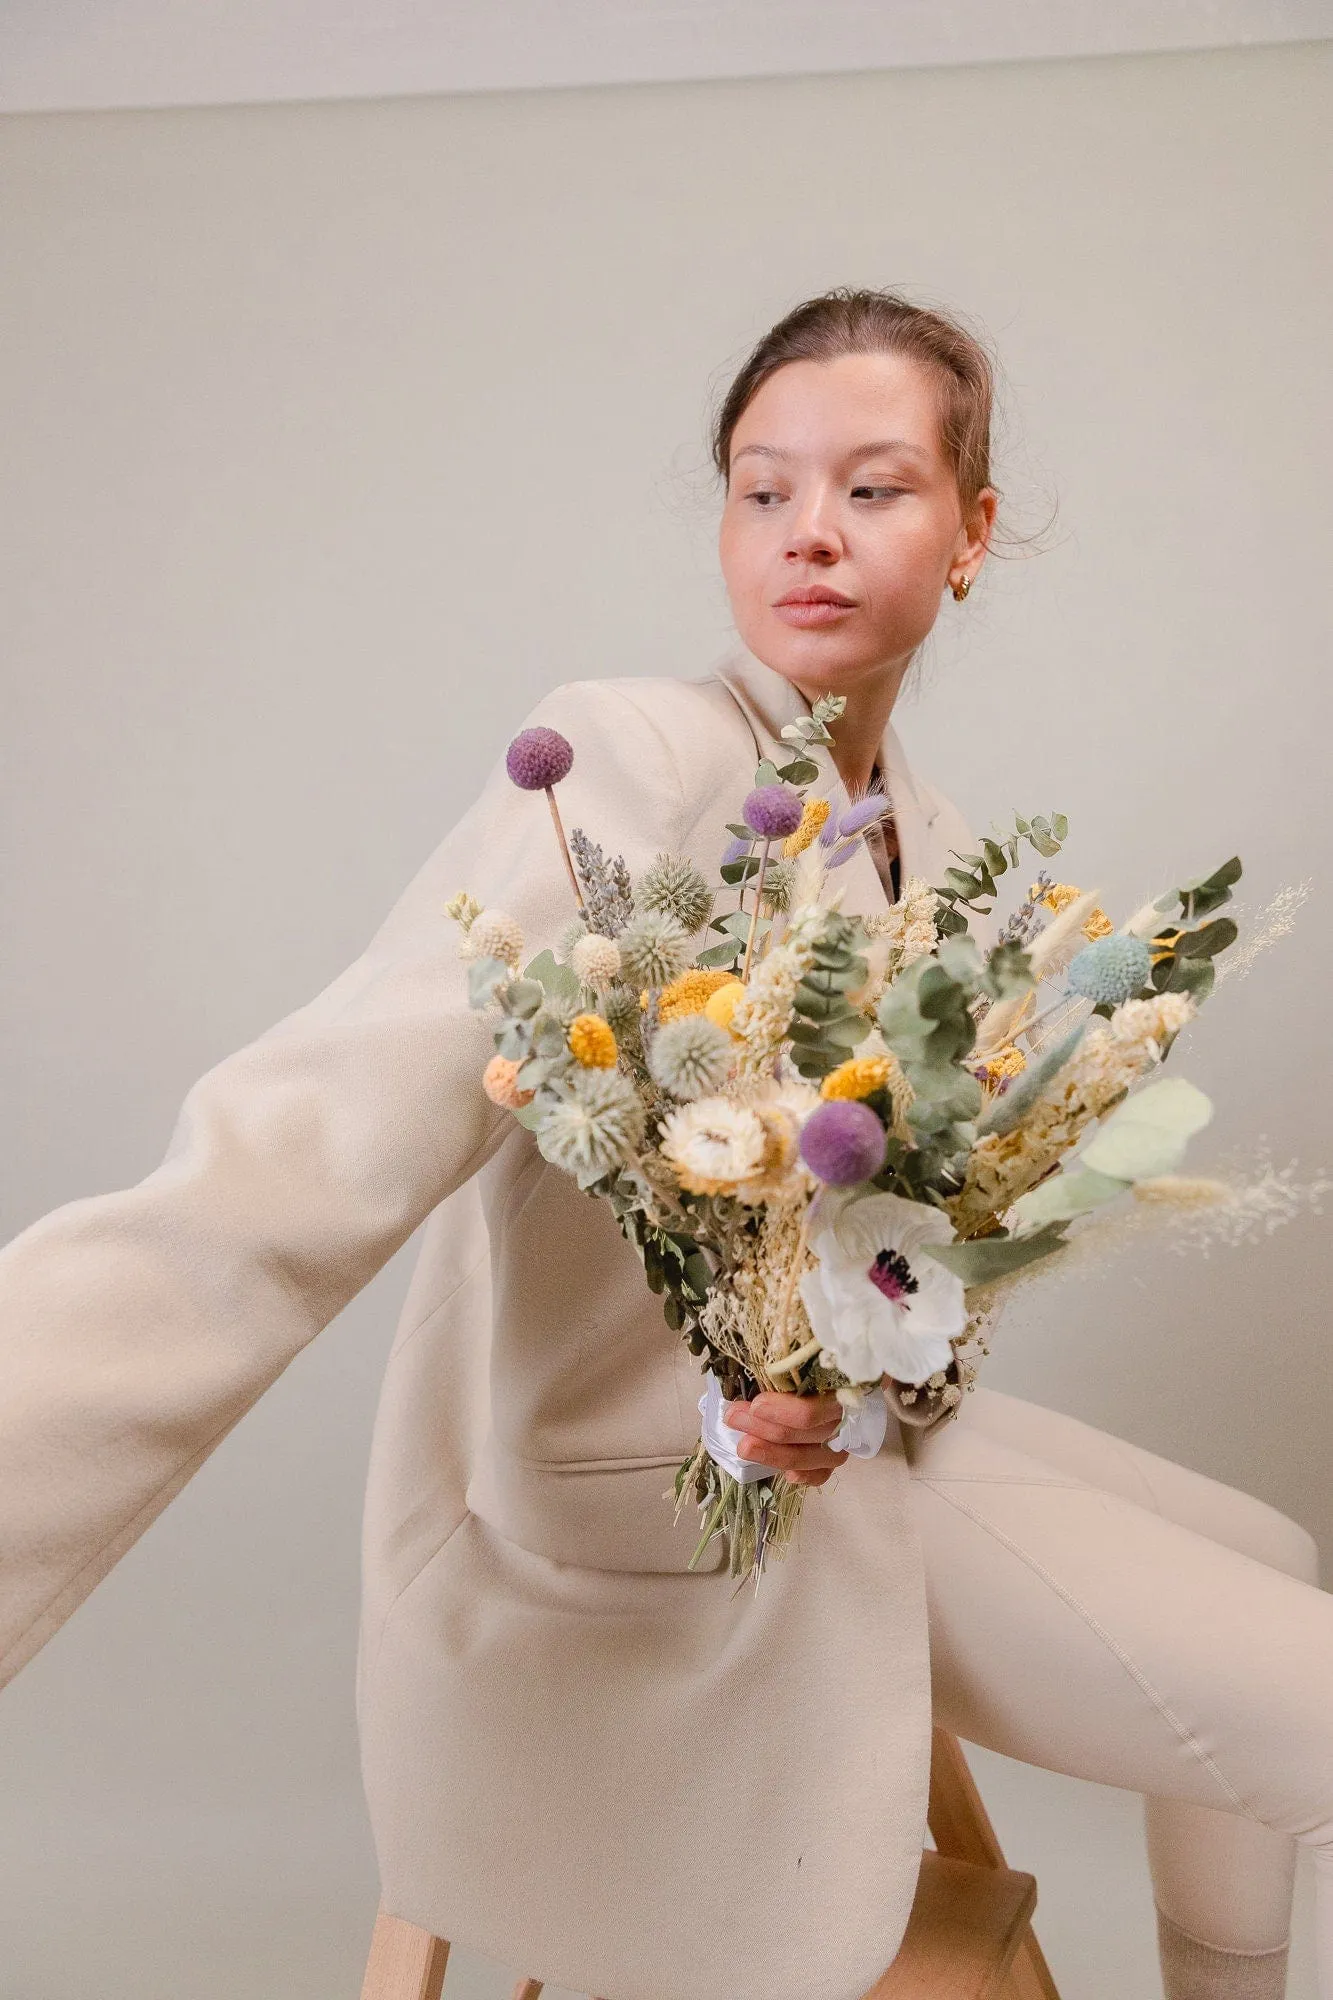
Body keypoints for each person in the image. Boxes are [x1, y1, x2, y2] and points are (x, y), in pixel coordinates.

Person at [1, 287, 1328, 2000]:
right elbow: (318, 1133)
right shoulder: (626, 760)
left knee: (1282, 1554)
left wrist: (876, 1353)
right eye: (764, 491)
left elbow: (902, 1253)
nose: (812, 538)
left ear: (974, 530)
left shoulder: (939, 840)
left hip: (853, 1454)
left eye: (876, 489)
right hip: (666, 1513)